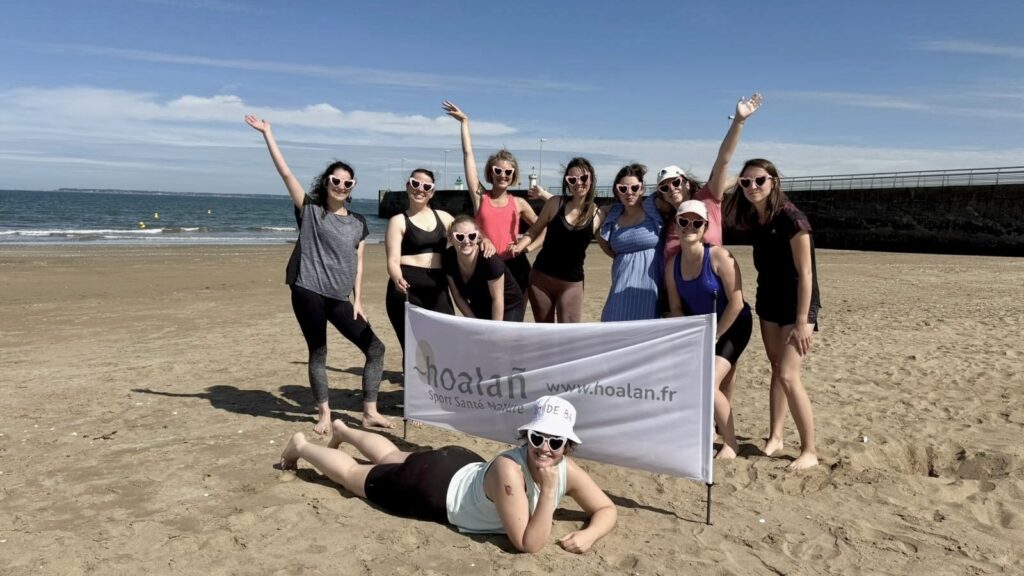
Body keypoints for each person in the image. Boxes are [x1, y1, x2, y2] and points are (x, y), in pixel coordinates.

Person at [279, 395, 617, 554]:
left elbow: (606, 509)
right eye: (536, 437)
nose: (545, 447)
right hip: (433, 489)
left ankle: (342, 430)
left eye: (555, 441)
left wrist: (590, 535)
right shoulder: (510, 470)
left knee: (392, 455)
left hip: (458, 464)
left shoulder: (567, 469)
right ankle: (302, 447)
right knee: (353, 475)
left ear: (567, 446)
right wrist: (547, 493)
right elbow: (528, 543)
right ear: (525, 437)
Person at [244, 115, 390, 432]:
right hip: (308, 291)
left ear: (352, 188)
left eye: (347, 182)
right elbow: (285, 173)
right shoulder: (310, 210)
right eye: (335, 180)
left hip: (340, 298)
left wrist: (359, 301)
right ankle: (324, 412)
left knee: (376, 349)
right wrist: (268, 134)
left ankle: (370, 411)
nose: (341, 186)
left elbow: (359, 262)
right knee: (319, 351)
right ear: (327, 183)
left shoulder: (359, 223)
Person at [725, 158, 822, 470]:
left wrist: (804, 321)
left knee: (788, 374)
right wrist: (735, 181)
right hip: (768, 300)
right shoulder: (756, 216)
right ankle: (776, 436)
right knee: (776, 366)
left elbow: (806, 274)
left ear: (774, 182)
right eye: (746, 182)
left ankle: (809, 450)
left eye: (760, 181)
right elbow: (717, 192)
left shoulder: (793, 218)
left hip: (797, 305)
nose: (753, 187)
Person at [665, 201, 753, 459]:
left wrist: (714, 335)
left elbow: (736, 302)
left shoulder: (720, 257)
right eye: (683, 221)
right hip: (703, 330)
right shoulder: (672, 265)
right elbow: (676, 308)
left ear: (705, 227)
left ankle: (731, 443)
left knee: (709, 381)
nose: (689, 227)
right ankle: (712, 431)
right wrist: (693, 338)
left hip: (735, 324)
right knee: (718, 382)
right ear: (676, 225)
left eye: (696, 223)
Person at [443, 101, 544, 293]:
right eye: (498, 170)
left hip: (516, 266)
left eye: (508, 172)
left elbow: (542, 228)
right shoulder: (481, 196)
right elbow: (468, 155)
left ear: (514, 175)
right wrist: (464, 122)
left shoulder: (519, 203)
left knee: (514, 320)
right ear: (491, 172)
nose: (503, 175)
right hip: (486, 263)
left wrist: (526, 247)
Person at [656, 92, 763, 260]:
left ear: (687, 184)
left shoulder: (707, 199)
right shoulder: (669, 220)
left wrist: (738, 121)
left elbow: (723, 161)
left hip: (709, 283)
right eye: (664, 187)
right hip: (672, 286)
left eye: (676, 182)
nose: (671, 188)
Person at [510, 158, 605, 323]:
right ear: (567, 182)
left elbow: (606, 245)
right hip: (541, 280)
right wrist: (520, 246)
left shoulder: (598, 215)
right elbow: (534, 229)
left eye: (583, 178)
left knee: (569, 335)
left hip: (571, 284)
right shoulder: (555, 204)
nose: (578, 183)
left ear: (591, 179)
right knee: (544, 331)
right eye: (572, 179)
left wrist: (619, 255)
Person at [384, 169, 455, 357]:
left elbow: (469, 236)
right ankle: (412, 385)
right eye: (415, 184)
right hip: (406, 286)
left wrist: (485, 241)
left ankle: (440, 383)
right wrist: (396, 276)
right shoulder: (398, 221)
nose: (420, 189)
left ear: (432, 192)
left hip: (438, 286)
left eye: (426, 186)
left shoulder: (445, 217)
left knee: (447, 337)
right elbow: (392, 260)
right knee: (412, 346)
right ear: (408, 186)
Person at [598, 164, 664, 321]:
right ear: (616, 191)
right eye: (623, 189)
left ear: (642, 189)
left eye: (634, 188)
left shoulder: (654, 209)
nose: (629, 193)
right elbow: (599, 236)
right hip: (619, 289)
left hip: (649, 291)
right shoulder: (612, 214)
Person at [443, 214, 526, 321]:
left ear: (478, 237)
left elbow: (498, 299)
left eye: (472, 236)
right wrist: (473, 321)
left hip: (508, 306)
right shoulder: (448, 259)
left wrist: (496, 329)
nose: (466, 241)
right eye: (460, 236)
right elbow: (458, 296)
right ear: (450, 238)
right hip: (479, 305)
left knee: (502, 337)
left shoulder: (490, 261)